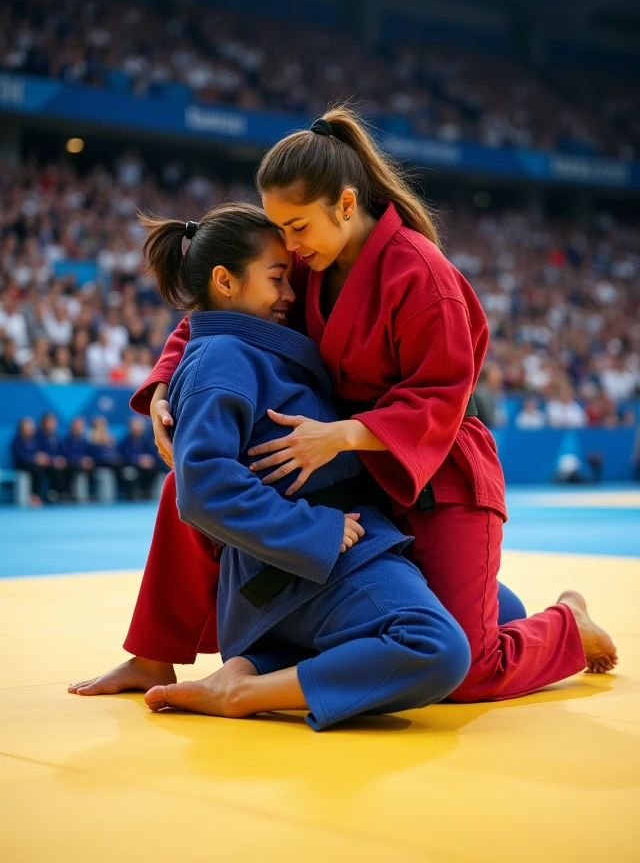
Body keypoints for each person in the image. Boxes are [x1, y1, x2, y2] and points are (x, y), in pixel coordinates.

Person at [135, 106, 616, 691]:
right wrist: (165, 385)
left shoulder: (421, 276)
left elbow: (442, 395)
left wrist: (342, 434)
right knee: (186, 483)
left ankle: (567, 625)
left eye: (297, 227)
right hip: (350, 471)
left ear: (344, 204)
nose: (287, 245)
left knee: (467, 669)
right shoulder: (310, 260)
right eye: (280, 229)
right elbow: (219, 310)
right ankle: (154, 654)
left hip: (436, 471)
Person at [70, 205, 471, 730]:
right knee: (440, 649)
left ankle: (254, 664)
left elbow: (202, 326)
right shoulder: (225, 357)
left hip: (338, 547)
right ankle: (247, 689)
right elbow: (202, 486)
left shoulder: (249, 341)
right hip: (313, 558)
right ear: (225, 281)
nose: (291, 294)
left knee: (493, 613)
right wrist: (316, 530)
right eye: (278, 279)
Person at [117, 418, 162, 500]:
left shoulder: (146, 440)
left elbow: (153, 453)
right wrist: (138, 460)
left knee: (154, 470)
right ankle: (133, 494)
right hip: (131, 465)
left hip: (147, 466)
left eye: (139, 426)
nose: (138, 428)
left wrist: (149, 460)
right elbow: (125, 455)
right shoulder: (125, 441)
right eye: (136, 426)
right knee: (131, 472)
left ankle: (146, 492)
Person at [11, 417, 46, 506]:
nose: (29, 430)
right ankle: (33, 496)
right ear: (21, 429)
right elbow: (20, 456)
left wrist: (41, 458)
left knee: (41, 468)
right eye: (27, 428)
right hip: (21, 465)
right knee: (36, 468)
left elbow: (40, 453)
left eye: (30, 428)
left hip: (33, 465)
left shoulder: (35, 441)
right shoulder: (16, 441)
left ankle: (52, 495)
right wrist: (34, 458)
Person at [36, 412, 71, 502]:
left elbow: (62, 451)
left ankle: (64, 494)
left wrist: (62, 459)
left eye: (54, 422)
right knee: (54, 470)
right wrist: (52, 460)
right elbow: (39, 453)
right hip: (45, 464)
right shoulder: (38, 436)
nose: (53, 424)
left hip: (56, 463)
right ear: (44, 423)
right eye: (51, 422)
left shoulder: (56, 437)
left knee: (70, 467)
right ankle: (52, 494)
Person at [62, 417, 97, 496]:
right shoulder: (66, 440)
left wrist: (89, 460)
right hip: (72, 466)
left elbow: (90, 453)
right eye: (77, 426)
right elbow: (67, 455)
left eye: (81, 426)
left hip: (87, 466)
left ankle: (92, 495)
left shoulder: (85, 440)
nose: (79, 428)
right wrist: (80, 460)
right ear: (72, 427)